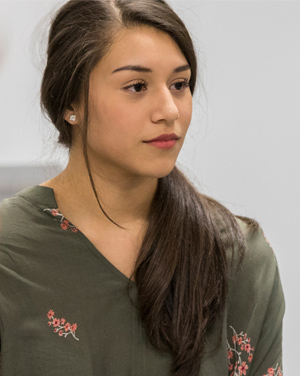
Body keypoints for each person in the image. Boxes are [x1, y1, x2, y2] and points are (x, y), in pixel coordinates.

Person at [0, 1, 284, 375]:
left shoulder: (238, 256)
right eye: (136, 86)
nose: (169, 110)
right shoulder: (8, 252)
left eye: (179, 84)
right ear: (71, 102)